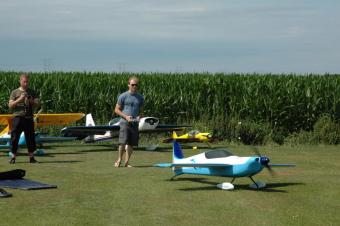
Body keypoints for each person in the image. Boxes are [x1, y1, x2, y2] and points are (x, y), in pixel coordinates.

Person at [8, 74, 40, 164]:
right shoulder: (14, 92)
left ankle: (32, 158)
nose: (26, 83)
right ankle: (13, 157)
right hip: (17, 117)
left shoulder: (32, 92)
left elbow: (38, 104)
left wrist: (30, 100)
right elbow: (10, 105)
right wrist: (20, 99)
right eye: (24, 81)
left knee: (30, 138)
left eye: (27, 82)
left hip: (29, 118)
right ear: (20, 81)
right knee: (14, 138)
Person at [114, 76, 144, 167]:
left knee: (131, 143)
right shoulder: (123, 96)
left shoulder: (140, 97)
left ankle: (127, 162)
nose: (134, 86)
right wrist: (126, 117)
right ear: (128, 85)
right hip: (124, 122)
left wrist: (139, 117)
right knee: (122, 142)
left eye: (136, 85)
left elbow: (141, 111)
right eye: (132, 85)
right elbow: (116, 110)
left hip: (135, 123)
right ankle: (119, 160)